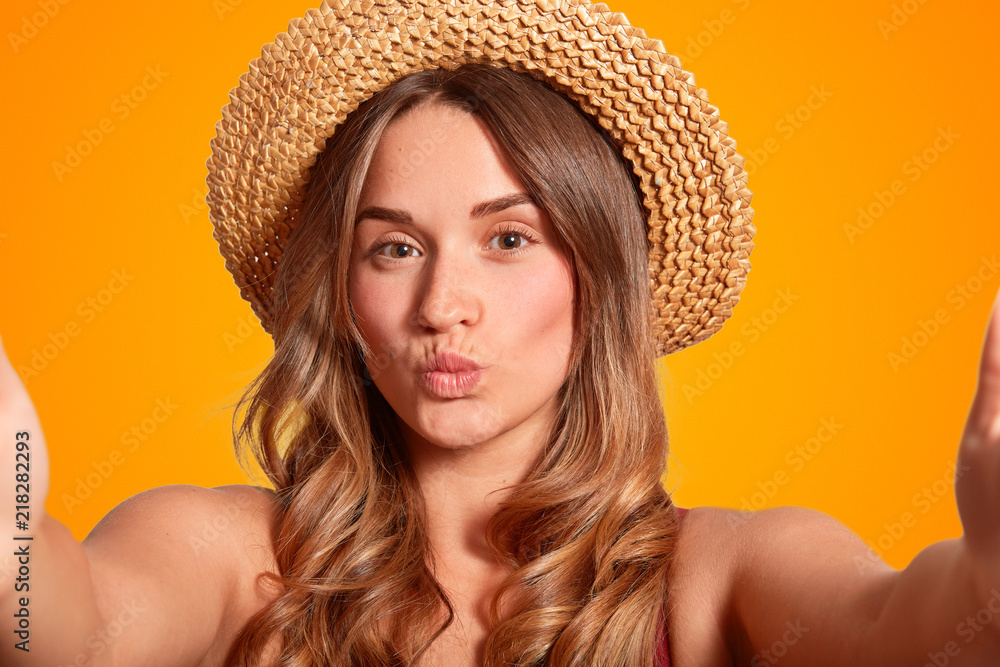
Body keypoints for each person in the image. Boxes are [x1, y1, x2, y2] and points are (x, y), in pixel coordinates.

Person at [2, 1, 999, 666]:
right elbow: (62, 632)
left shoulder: (720, 577)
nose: (443, 303)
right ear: (342, 294)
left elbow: (908, 636)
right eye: (394, 248)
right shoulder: (230, 555)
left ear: (599, 275)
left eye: (509, 238)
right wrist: (9, 525)